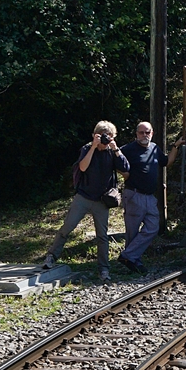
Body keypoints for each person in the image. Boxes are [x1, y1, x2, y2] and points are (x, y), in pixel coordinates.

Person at [42, 121, 130, 282]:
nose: (104, 140)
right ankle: (51, 256)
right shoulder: (86, 148)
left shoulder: (112, 151)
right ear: (94, 135)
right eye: (102, 136)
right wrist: (93, 147)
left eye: (108, 137)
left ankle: (104, 270)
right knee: (67, 227)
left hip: (102, 200)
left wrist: (115, 148)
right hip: (83, 197)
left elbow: (125, 168)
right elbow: (83, 167)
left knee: (102, 236)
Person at [118, 122, 186, 273]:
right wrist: (124, 173)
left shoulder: (154, 148)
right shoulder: (128, 149)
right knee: (132, 232)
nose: (144, 135)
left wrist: (176, 146)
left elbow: (167, 162)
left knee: (153, 227)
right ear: (136, 134)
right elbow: (115, 160)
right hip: (134, 195)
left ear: (152, 133)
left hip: (149, 197)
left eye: (147, 132)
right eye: (141, 132)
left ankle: (128, 256)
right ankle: (133, 262)